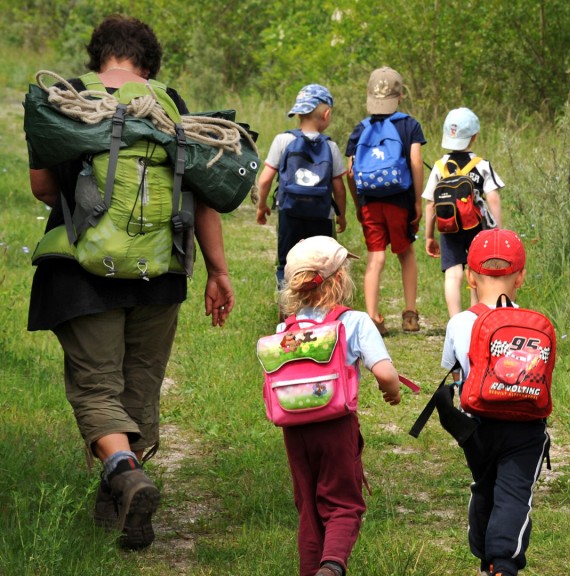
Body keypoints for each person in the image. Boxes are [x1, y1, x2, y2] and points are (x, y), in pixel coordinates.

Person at [26, 14, 234, 550]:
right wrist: (219, 271)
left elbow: (43, 188)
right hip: (160, 270)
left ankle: (124, 472)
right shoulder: (170, 105)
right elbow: (205, 194)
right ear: (149, 63)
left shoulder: (69, 96)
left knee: (95, 386)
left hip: (82, 269)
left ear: (99, 56)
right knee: (139, 386)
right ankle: (120, 497)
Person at [276, 236, 403, 576]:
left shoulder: (285, 329)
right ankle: (332, 566)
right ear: (340, 279)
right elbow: (385, 373)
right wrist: (393, 392)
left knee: (309, 507)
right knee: (343, 503)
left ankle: (310, 569)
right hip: (336, 425)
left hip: (294, 428)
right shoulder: (354, 321)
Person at [440, 229, 550, 576]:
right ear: (521, 276)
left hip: (477, 427)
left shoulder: (460, 322)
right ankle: (503, 563)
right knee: (514, 495)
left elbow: (454, 373)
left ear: (470, 277)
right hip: (525, 428)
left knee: (484, 487)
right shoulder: (533, 323)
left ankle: (484, 557)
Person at [345, 67, 425, 335]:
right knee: (406, 253)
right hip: (399, 200)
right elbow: (415, 162)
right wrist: (416, 202)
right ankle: (410, 314)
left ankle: (372, 317)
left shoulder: (361, 128)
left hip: (370, 201)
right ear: (399, 95)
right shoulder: (409, 125)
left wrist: (358, 205)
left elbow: (350, 172)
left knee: (375, 258)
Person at [255, 84, 347, 290]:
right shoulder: (330, 146)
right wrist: (341, 214)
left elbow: (265, 180)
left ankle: (288, 312)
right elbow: (339, 189)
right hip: (322, 216)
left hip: (290, 213)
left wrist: (262, 206)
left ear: (297, 114)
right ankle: (321, 309)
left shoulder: (283, 140)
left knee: (287, 262)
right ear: (327, 114)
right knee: (324, 265)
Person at [421, 107, 505, 317]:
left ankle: (454, 320)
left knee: (453, 274)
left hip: (448, 227)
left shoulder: (440, 167)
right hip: (477, 227)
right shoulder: (482, 165)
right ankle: (476, 316)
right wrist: (498, 230)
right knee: (476, 271)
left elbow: (431, 204)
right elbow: (493, 197)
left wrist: (429, 236)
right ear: (474, 137)